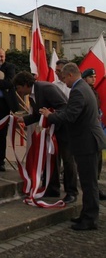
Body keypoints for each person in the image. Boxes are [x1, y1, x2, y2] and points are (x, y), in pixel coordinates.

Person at [41, 63, 106, 231]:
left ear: (70, 75)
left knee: (89, 183)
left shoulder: (78, 90)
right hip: (88, 140)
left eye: (64, 78)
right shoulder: (84, 87)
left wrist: (51, 116)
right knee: (86, 182)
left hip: (87, 142)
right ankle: (86, 214)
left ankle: (90, 219)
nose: (64, 81)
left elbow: (70, 116)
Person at [13, 71, 78, 204]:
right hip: (52, 130)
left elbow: (64, 106)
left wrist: (51, 115)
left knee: (67, 160)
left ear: (25, 85)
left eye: (18, 87)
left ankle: (72, 192)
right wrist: (22, 120)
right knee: (51, 159)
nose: (18, 91)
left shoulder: (45, 88)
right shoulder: (31, 96)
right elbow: (37, 115)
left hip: (64, 128)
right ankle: (53, 188)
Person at [81, 68, 106, 201]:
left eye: (95, 76)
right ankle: (94, 190)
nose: (94, 79)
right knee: (92, 164)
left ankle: (95, 187)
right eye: (91, 77)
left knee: (98, 161)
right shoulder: (85, 92)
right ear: (85, 78)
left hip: (97, 129)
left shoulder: (95, 92)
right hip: (90, 132)